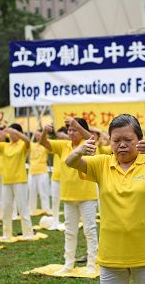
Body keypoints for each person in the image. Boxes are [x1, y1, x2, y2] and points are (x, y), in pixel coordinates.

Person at [65, 114, 145, 283]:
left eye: (128, 139)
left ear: (140, 140)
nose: (122, 145)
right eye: (116, 140)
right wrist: (80, 151)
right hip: (112, 254)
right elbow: (71, 162)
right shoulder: (102, 164)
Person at [40, 117, 98, 274]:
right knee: (70, 231)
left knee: (89, 231)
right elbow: (44, 143)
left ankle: (92, 264)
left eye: (75, 130)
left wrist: (78, 125)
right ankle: (68, 264)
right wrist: (45, 131)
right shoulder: (63, 145)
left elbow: (92, 139)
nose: (72, 133)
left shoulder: (87, 144)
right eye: (70, 130)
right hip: (68, 195)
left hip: (87, 195)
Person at [0, 123, 33, 240]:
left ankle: (28, 233)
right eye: (11, 133)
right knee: (6, 208)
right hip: (6, 181)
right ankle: (6, 233)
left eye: (15, 133)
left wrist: (15, 132)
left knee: (22, 207)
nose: (12, 135)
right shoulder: (6, 146)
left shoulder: (23, 145)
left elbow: (28, 141)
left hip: (20, 181)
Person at [28, 131, 51, 215]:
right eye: (36, 135)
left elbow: (49, 146)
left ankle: (46, 209)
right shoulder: (31, 145)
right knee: (31, 193)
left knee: (43, 192)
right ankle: (31, 210)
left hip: (42, 172)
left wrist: (44, 136)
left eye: (39, 135)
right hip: (32, 172)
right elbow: (27, 144)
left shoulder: (45, 146)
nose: (38, 136)